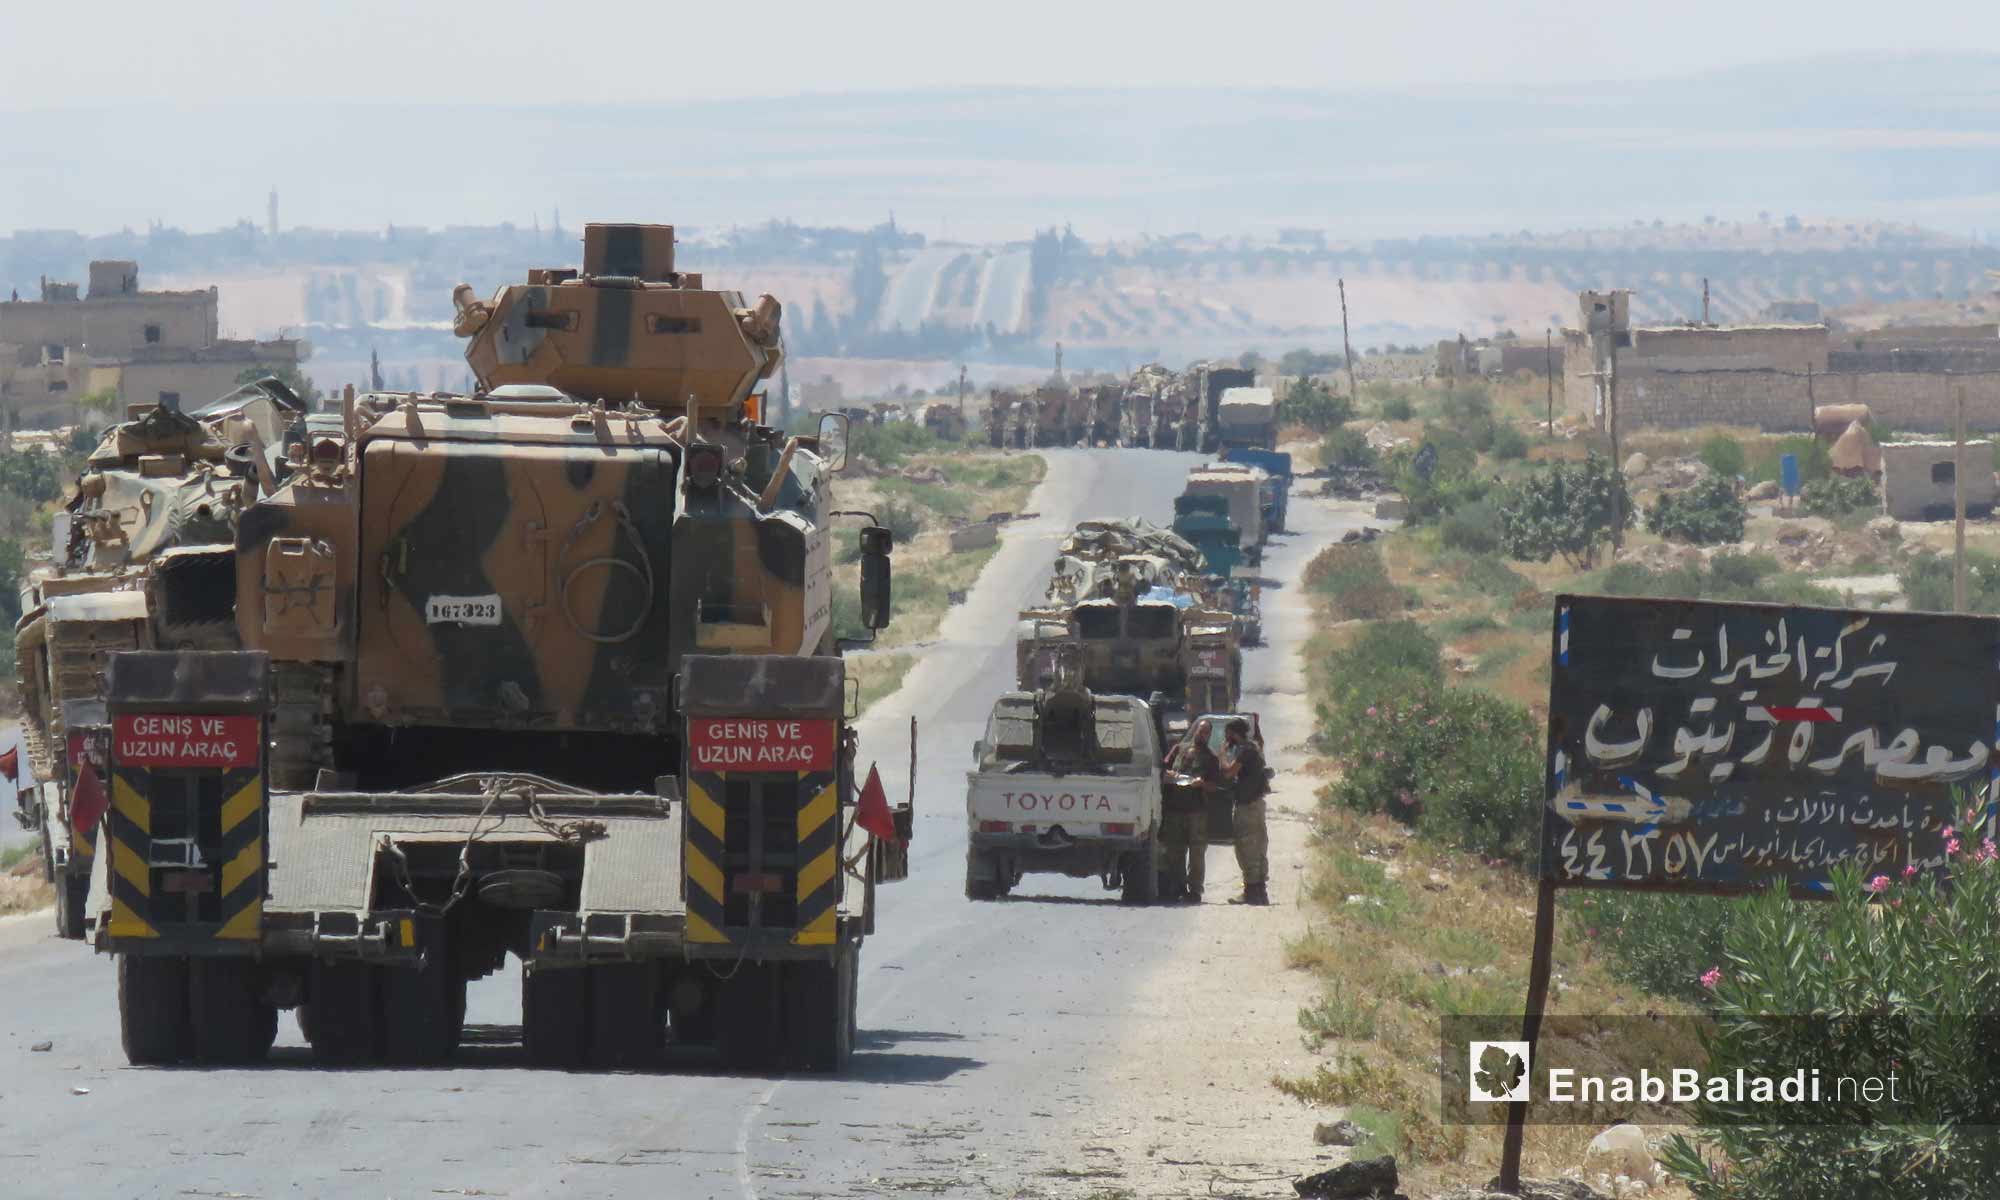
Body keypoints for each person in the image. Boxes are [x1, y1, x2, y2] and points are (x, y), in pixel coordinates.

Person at [1159, 720, 1217, 903]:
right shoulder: (1179, 749)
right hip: (1174, 810)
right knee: (1175, 851)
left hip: (1196, 812)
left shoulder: (1210, 758)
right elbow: (1163, 768)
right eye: (1200, 731)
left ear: (1209, 736)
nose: (1202, 735)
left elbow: (1214, 786)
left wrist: (1202, 784)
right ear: (1194, 731)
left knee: (1197, 854)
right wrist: (1169, 775)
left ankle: (1195, 890)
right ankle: (1177, 886)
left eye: (1206, 733)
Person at [1220, 718, 1270, 905]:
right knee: (1256, 848)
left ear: (1233, 733)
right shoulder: (1252, 748)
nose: (1226, 738)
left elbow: (1228, 772)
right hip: (1253, 804)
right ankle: (1257, 891)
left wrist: (1222, 754)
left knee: (1246, 847)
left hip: (1248, 806)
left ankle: (1253, 891)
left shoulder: (1246, 750)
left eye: (1228, 734)